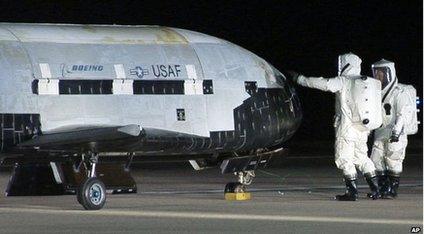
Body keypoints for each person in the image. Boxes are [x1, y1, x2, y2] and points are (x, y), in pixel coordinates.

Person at [289, 53, 382, 201]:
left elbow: (324, 84)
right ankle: (376, 189)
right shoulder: (363, 82)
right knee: (362, 158)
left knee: (344, 159)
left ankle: (352, 193)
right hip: (362, 130)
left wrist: (300, 79)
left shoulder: (344, 81)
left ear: (344, 64)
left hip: (346, 129)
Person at [370, 59, 416, 198]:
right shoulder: (375, 92)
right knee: (375, 159)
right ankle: (383, 188)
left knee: (393, 159)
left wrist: (396, 132)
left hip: (395, 131)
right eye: (376, 72)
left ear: (389, 73)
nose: (378, 76)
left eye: (381, 73)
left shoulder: (399, 92)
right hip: (380, 131)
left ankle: (392, 189)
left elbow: (403, 113)